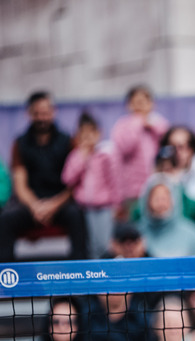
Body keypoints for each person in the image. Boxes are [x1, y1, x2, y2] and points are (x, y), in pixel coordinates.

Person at [0, 91, 89, 261]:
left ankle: (79, 275)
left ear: (53, 112)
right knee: (5, 220)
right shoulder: (20, 144)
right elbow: (20, 184)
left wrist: (53, 205)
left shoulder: (68, 141)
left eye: (45, 112)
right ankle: (7, 278)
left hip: (61, 203)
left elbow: (74, 184)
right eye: (37, 113)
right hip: (31, 205)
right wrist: (36, 206)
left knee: (77, 215)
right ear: (29, 114)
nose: (42, 118)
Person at [61, 112, 119, 257]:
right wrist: (82, 158)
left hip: (104, 207)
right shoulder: (75, 156)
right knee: (88, 243)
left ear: (99, 133)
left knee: (104, 242)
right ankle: (92, 270)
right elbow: (67, 179)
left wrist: (116, 205)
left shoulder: (105, 156)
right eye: (83, 134)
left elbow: (114, 181)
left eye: (91, 133)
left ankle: (104, 269)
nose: (87, 138)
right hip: (84, 208)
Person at [111, 85, 170, 210]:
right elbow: (125, 147)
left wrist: (152, 127)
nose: (140, 106)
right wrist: (137, 123)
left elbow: (167, 144)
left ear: (151, 104)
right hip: (132, 191)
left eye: (144, 102)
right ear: (129, 105)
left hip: (155, 188)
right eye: (136, 102)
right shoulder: (122, 126)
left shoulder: (158, 124)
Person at [134, 175, 195, 257]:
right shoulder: (136, 236)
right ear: (147, 201)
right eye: (156, 199)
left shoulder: (192, 234)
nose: (160, 204)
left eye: (164, 198)